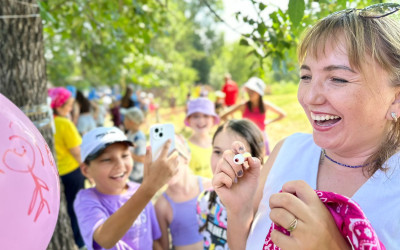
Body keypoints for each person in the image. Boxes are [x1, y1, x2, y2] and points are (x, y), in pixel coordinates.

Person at [212, 3, 400, 249]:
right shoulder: (285, 152)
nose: (310, 97)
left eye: (338, 79)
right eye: (306, 76)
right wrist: (240, 211)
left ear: (395, 98)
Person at [74, 126, 179, 250]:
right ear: (86, 170)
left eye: (125, 155)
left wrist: (146, 189)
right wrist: (149, 188)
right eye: (107, 159)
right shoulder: (86, 200)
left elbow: (154, 239)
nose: (120, 165)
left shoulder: (139, 190)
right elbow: (103, 240)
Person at [197, 119, 265, 250]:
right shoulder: (204, 199)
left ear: (256, 160)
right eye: (217, 152)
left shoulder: (266, 209)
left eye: (235, 156)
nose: (223, 162)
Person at [155, 135, 212, 250]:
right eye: (160, 162)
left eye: (171, 158)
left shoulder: (209, 186)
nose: (167, 167)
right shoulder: (161, 205)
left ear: (186, 157)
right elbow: (163, 247)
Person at [48, 87, 85, 248]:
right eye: (68, 105)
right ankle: (80, 241)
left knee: (65, 209)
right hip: (72, 172)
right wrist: (88, 171)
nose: (70, 108)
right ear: (59, 104)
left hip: (56, 173)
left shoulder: (48, 121)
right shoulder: (64, 123)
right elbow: (77, 151)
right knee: (76, 208)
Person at [220, 77, 286, 155]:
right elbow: (223, 116)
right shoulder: (244, 105)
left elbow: (283, 114)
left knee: (262, 163)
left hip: (261, 138)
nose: (249, 93)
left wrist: (268, 122)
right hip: (246, 138)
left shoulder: (265, 105)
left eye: (253, 91)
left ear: (259, 93)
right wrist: (236, 126)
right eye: (249, 91)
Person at [185, 97, 220, 179]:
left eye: (206, 116)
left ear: (212, 119)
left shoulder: (218, 143)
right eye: (196, 116)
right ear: (189, 120)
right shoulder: (185, 148)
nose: (201, 120)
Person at [123, 107, 147, 183]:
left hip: (138, 176)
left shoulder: (139, 138)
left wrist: (126, 152)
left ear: (131, 122)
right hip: (132, 173)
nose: (123, 121)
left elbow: (143, 159)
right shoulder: (131, 132)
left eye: (125, 119)